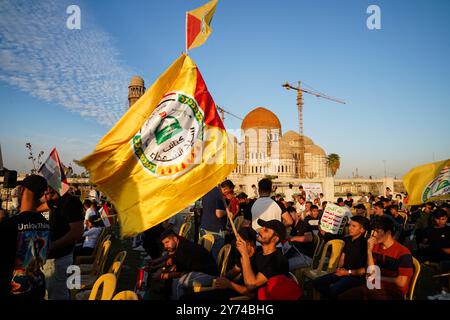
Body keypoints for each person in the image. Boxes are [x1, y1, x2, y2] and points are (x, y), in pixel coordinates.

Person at [0, 175, 50, 300]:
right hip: (37, 285)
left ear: (22, 190)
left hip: (14, 288)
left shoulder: (10, 224)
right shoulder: (46, 224)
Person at [339, 216, 414, 300]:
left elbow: (401, 282)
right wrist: (369, 251)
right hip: (372, 287)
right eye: (373, 231)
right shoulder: (375, 247)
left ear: (388, 233)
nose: (374, 235)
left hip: (391, 292)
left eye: (377, 232)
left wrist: (378, 277)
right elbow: (371, 272)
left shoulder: (403, 252)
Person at [37, 186, 84, 300]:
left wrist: (51, 246)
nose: (47, 191)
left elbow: (76, 233)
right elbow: (36, 209)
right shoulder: (53, 203)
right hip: (54, 259)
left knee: (57, 295)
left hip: (58, 260)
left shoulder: (70, 202)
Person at [313, 216, 369, 299]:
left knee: (333, 290)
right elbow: (342, 257)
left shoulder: (365, 244)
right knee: (317, 282)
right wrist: (339, 268)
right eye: (350, 225)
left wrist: (348, 272)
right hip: (343, 272)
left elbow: (365, 269)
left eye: (354, 226)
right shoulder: (348, 239)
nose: (350, 228)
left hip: (356, 277)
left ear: (362, 230)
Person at [156, 229, 219, 300]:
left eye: (167, 242)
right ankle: (168, 293)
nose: (165, 246)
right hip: (198, 271)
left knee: (178, 283)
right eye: (164, 244)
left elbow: (181, 273)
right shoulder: (179, 244)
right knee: (173, 275)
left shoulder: (183, 248)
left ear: (175, 238)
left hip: (210, 274)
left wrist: (162, 275)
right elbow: (175, 262)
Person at [236, 219, 289, 295]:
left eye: (266, 230)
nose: (260, 230)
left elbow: (251, 285)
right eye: (262, 227)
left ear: (275, 239)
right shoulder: (259, 254)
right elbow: (244, 276)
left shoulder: (278, 260)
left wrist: (244, 254)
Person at [199, 181, 230, 260]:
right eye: (229, 191)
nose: (227, 194)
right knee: (216, 257)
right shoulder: (219, 195)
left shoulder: (207, 191)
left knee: (205, 254)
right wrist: (227, 211)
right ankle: (215, 271)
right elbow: (218, 213)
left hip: (204, 226)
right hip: (215, 229)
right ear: (225, 189)